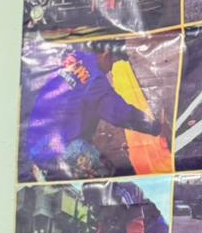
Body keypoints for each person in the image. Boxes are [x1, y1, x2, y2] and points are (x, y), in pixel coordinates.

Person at [24, 40, 163, 181]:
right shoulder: (95, 79)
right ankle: (52, 173)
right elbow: (119, 113)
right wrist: (153, 125)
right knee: (112, 179)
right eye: (113, 62)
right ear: (106, 54)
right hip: (61, 151)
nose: (111, 69)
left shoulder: (73, 56)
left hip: (36, 141)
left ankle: (44, 169)